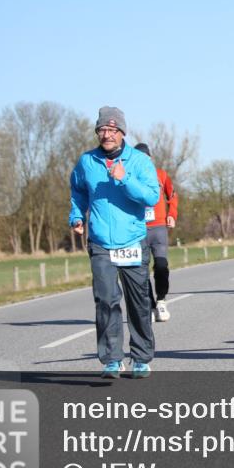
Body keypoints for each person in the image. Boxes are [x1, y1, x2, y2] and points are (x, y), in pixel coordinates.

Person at [70, 107, 160, 378]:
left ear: (122, 132)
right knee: (106, 300)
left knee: (138, 302)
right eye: (102, 130)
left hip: (132, 240)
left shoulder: (139, 162)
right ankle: (112, 359)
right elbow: (77, 189)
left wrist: (125, 180)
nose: (106, 135)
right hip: (99, 242)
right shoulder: (87, 162)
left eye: (112, 130)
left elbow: (151, 197)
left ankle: (142, 358)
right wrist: (76, 215)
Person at [134, 143, 179, 320]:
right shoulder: (129, 176)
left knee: (161, 265)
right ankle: (149, 305)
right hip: (138, 229)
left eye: (145, 158)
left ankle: (161, 301)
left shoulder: (161, 175)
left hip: (159, 227)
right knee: (140, 270)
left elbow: (173, 195)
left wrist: (172, 214)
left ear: (150, 158)